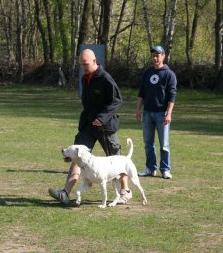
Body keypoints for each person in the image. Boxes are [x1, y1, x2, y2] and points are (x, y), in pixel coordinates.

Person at [48, 49, 133, 205]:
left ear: (94, 61)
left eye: (86, 64)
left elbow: (117, 101)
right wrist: (86, 120)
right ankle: (65, 193)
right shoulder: (84, 78)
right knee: (76, 156)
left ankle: (125, 192)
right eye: (81, 65)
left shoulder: (106, 78)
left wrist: (102, 118)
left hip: (106, 126)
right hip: (88, 126)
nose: (83, 68)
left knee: (118, 160)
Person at [136, 45, 177, 179]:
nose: (155, 58)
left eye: (157, 55)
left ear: (163, 56)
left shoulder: (169, 74)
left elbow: (172, 96)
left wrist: (169, 113)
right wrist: (138, 110)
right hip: (148, 113)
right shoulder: (147, 73)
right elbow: (141, 93)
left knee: (164, 144)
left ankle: (165, 169)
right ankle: (150, 168)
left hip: (162, 114)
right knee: (148, 143)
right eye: (153, 55)